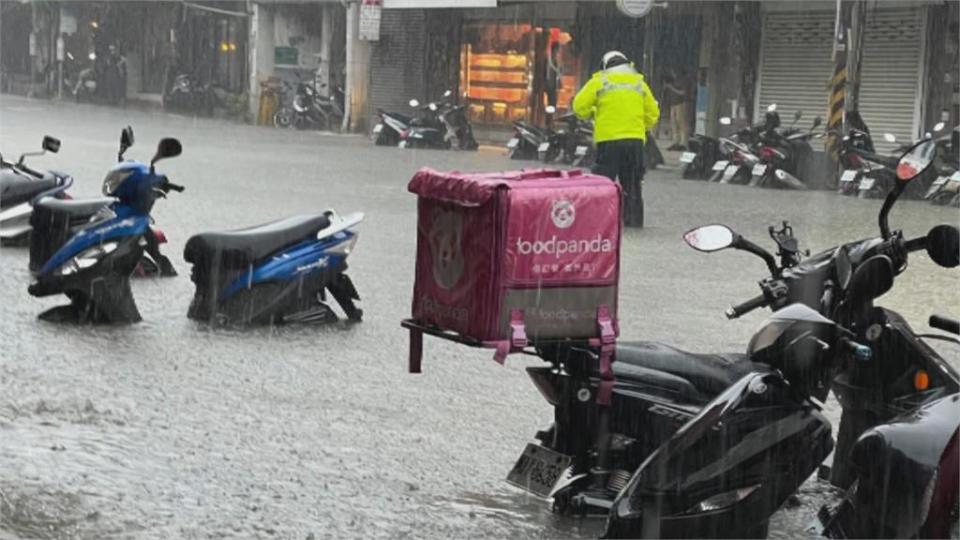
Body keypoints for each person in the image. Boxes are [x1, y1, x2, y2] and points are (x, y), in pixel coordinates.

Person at [573, 50, 659, 227]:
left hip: (609, 141)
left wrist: (593, 114)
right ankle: (633, 220)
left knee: (602, 183)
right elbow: (653, 113)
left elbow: (579, 107)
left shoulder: (599, 81)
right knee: (633, 184)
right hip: (634, 142)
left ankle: (599, 221)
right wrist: (640, 127)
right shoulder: (639, 83)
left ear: (605, 66)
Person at [664, 69, 690, 151]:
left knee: (681, 122)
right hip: (673, 104)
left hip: (680, 103)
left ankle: (683, 142)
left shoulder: (683, 81)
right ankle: (676, 141)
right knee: (673, 123)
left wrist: (672, 88)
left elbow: (683, 93)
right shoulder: (673, 81)